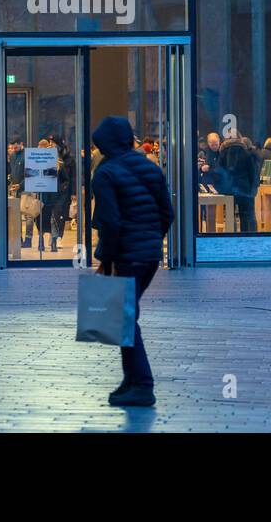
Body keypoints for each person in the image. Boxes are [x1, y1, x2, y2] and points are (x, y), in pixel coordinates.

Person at [90, 116, 174, 407]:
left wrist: (105, 259)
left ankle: (142, 384)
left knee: (125, 317)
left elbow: (110, 222)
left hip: (126, 254)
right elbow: (168, 212)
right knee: (126, 314)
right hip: (149, 254)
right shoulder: (150, 168)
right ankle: (131, 380)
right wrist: (152, 238)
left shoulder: (105, 173)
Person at [218, 133, 261, 232]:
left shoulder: (223, 152)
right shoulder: (246, 152)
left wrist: (221, 187)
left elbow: (220, 172)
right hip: (245, 188)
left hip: (229, 188)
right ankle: (247, 237)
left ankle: (231, 237)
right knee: (247, 215)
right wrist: (253, 187)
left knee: (229, 215)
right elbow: (252, 171)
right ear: (240, 138)